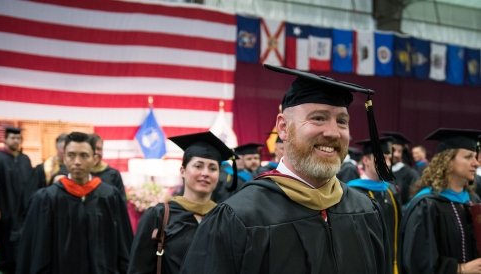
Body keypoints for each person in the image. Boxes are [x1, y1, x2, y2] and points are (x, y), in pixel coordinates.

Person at [180, 64, 393, 274]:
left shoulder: (366, 210)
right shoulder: (239, 218)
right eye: (318, 118)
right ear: (283, 127)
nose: (333, 133)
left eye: (342, 121)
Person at [16, 132, 133, 274]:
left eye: (84, 155)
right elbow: (35, 248)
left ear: (94, 159)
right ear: (64, 158)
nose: (77, 161)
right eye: (71, 155)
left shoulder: (110, 197)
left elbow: (123, 244)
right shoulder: (46, 199)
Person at [127, 131, 235, 274]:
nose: (205, 173)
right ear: (183, 171)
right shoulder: (159, 216)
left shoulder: (225, 218)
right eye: (198, 166)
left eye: (213, 168)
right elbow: (138, 269)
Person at [400, 128, 481, 274]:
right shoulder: (427, 205)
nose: (476, 163)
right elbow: (417, 261)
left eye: (476, 157)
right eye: (469, 157)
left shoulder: (472, 201)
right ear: (447, 161)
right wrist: (460, 269)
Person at [0, 126, 33, 274]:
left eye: (18, 138)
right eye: (13, 138)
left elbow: (30, 183)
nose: (16, 141)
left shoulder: (25, 159)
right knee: (5, 237)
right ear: (5, 139)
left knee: (22, 237)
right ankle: (7, 266)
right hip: (5, 206)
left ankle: (20, 265)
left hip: (23, 207)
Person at [347, 137, 401, 274]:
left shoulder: (390, 191)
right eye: (382, 158)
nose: (387, 163)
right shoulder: (352, 192)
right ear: (366, 160)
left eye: (389, 158)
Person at [383, 131, 420, 206]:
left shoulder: (411, 174)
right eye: (393, 150)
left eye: (399, 151)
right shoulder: (380, 172)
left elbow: (413, 200)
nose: (396, 154)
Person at [90, 133, 127, 201]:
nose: (95, 152)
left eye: (99, 149)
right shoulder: (81, 174)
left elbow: (122, 201)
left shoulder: (113, 174)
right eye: (92, 149)